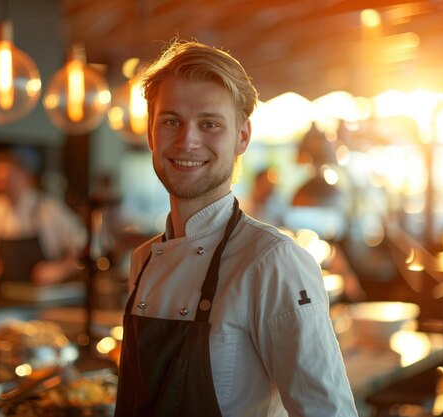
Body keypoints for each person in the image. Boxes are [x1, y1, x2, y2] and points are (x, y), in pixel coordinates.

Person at [114, 40, 358, 417]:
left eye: (209, 123)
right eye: (171, 121)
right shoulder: (143, 260)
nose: (187, 140)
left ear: (242, 137)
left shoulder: (274, 262)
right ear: (150, 133)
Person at [0, 147, 88, 287]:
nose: (2, 184)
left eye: (8, 178)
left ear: (26, 177)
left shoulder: (50, 209)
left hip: (43, 298)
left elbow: (81, 250)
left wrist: (58, 270)